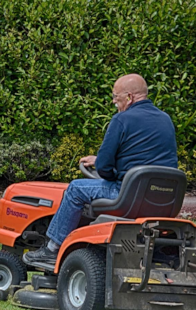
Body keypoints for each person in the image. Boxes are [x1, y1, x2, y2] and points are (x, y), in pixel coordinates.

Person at [23, 74, 178, 266]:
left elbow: (104, 168)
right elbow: (146, 158)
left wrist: (109, 171)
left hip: (129, 197)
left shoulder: (122, 119)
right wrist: (100, 162)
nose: (113, 101)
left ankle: (52, 248)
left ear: (129, 97)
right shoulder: (166, 120)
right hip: (163, 199)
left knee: (75, 189)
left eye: (115, 96)